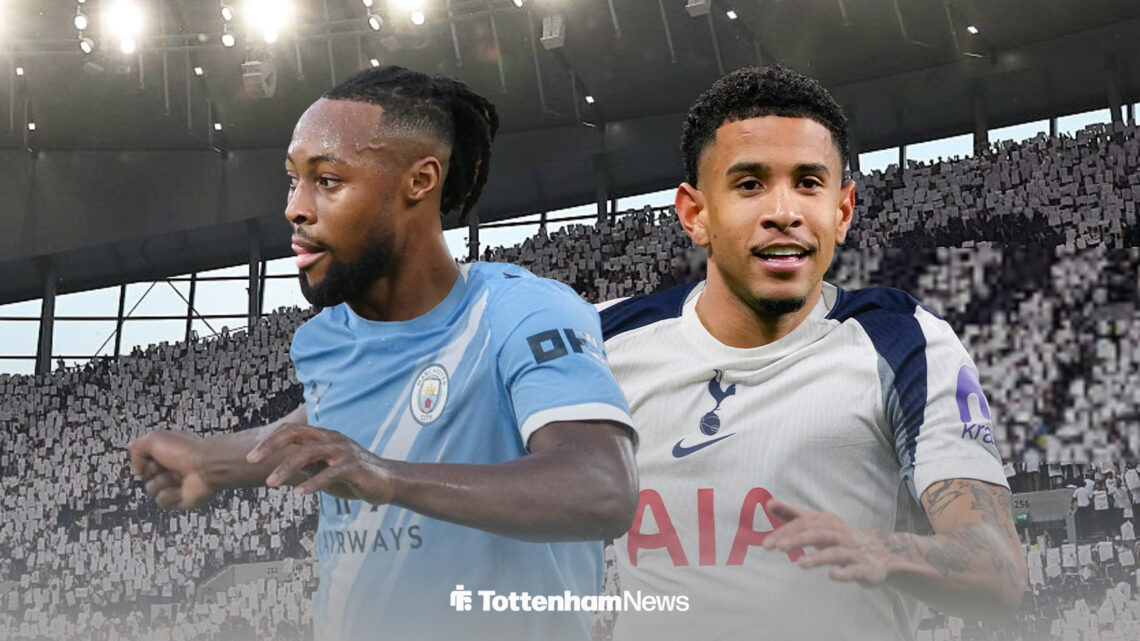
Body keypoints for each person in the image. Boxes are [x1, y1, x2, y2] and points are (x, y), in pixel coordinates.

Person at [127, 66, 638, 641]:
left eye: (328, 180)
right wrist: (210, 461)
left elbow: (601, 488)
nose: (296, 207)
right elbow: (324, 425)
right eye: (293, 180)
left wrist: (387, 477)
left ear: (419, 181)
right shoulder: (326, 338)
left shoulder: (520, 312)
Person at [597, 66, 1027, 641]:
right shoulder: (604, 342)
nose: (785, 211)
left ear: (842, 210)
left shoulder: (905, 342)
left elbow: (998, 567)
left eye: (808, 183)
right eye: (749, 184)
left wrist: (879, 550)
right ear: (695, 214)